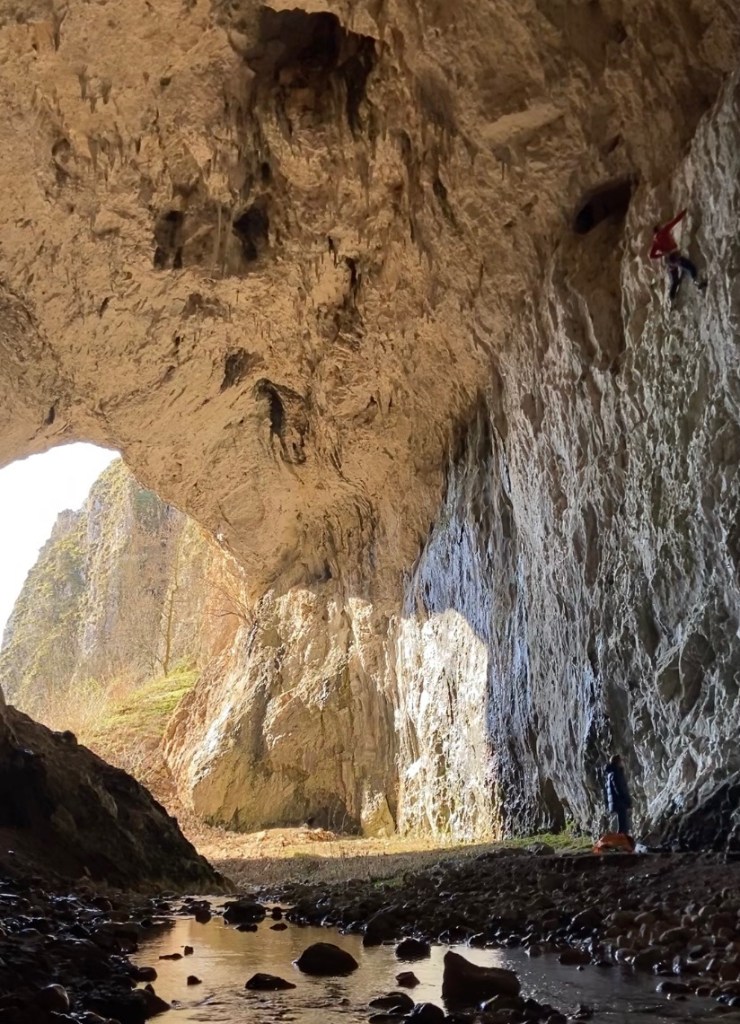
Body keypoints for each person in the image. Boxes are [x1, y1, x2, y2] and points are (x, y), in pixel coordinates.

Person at [649, 209, 706, 304]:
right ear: (658, 228)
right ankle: (697, 283)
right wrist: (684, 211)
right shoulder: (664, 231)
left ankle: (672, 299)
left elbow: (651, 255)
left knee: (675, 280)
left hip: (668, 260)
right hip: (674, 256)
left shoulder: (655, 242)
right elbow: (675, 220)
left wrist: (662, 254)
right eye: (660, 226)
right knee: (689, 266)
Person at [605, 754, 632, 835]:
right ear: (618, 762)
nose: (622, 763)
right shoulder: (615, 773)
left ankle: (620, 843)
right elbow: (619, 789)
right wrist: (627, 801)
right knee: (623, 826)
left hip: (616, 803)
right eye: (621, 761)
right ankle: (620, 844)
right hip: (619, 803)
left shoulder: (611, 773)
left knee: (622, 825)